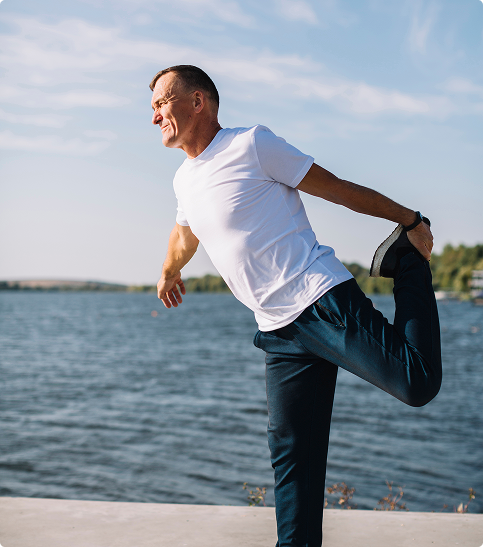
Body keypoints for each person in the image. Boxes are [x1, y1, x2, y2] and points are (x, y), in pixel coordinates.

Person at [150, 65, 442, 547]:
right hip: (279, 332)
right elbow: (184, 234)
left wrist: (408, 219)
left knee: (417, 383)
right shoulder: (185, 180)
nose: (155, 115)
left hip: (320, 299)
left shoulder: (252, 145)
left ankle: (407, 264)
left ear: (197, 102)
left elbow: (337, 189)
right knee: (293, 461)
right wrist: (168, 269)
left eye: (162, 103)